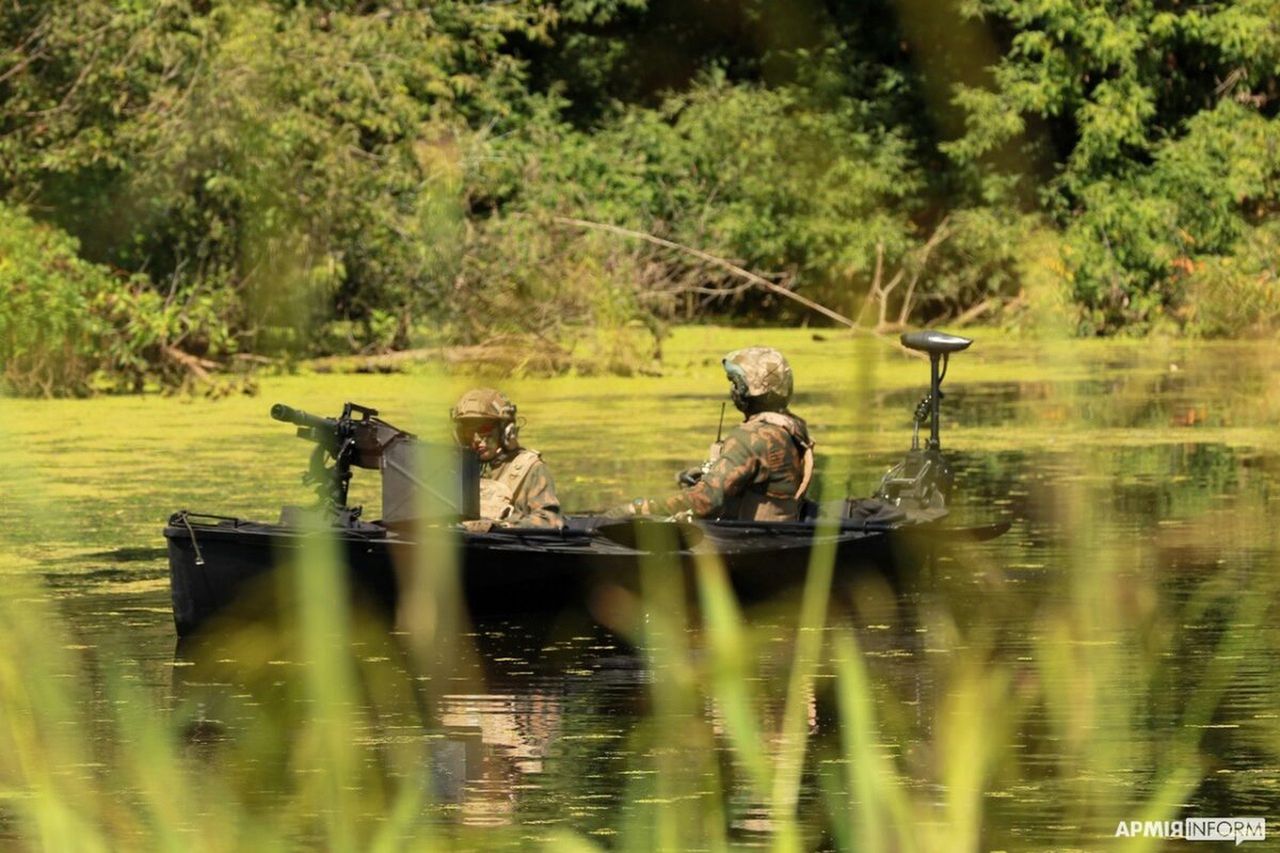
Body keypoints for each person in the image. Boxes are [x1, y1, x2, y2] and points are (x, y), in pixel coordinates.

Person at [615, 346, 814, 522]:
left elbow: (706, 500)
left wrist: (640, 506)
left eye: (737, 384)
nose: (733, 390)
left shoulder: (751, 438)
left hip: (746, 542)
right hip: (778, 532)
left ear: (748, 392)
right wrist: (706, 474)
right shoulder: (792, 427)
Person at [451, 388, 564, 529]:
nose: (476, 439)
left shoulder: (529, 468)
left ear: (506, 431)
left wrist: (501, 526)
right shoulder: (453, 469)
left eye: (484, 429)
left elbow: (549, 521)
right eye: (468, 431)